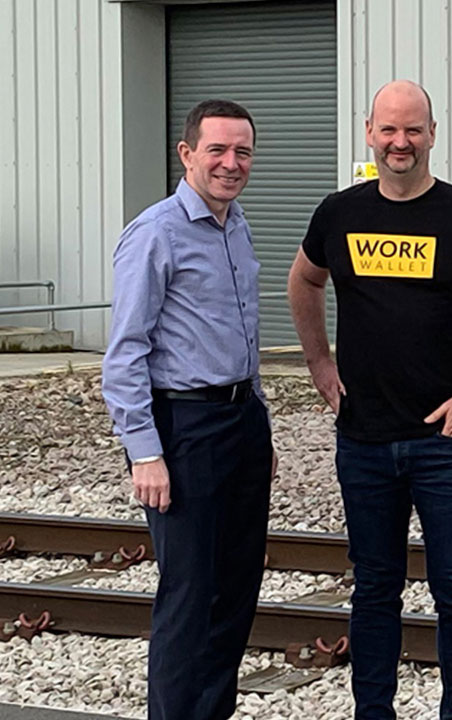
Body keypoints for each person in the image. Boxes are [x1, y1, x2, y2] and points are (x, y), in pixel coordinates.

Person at [287, 79, 452, 720]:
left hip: (447, 442)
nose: (400, 142)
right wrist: (318, 361)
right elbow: (304, 280)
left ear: (433, 135)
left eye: (413, 129)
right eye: (389, 129)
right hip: (364, 437)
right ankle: (373, 712)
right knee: (374, 590)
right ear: (370, 133)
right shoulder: (339, 212)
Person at [101, 99, 275, 720]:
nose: (231, 163)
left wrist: (257, 418)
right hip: (185, 429)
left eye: (243, 151)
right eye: (218, 151)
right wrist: (144, 452)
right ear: (186, 154)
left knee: (236, 591)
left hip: (240, 423)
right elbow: (124, 354)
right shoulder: (155, 232)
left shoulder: (236, 224)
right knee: (189, 594)